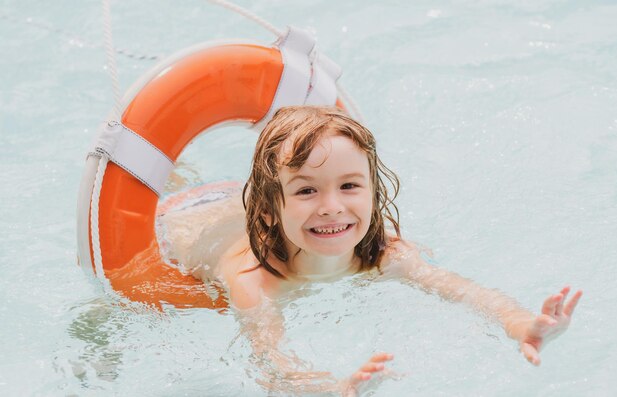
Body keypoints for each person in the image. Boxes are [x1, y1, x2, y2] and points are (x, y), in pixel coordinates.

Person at [161, 106, 582, 395]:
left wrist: (523, 324)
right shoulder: (255, 280)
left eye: (349, 185)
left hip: (244, 202)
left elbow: (467, 293)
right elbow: (271, 364)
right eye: (307, 190)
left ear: (373, 193)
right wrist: (332, 388)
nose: (332, 206)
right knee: (174, 179)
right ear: (270, 212)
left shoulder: (387, 254)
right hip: (190, 214)